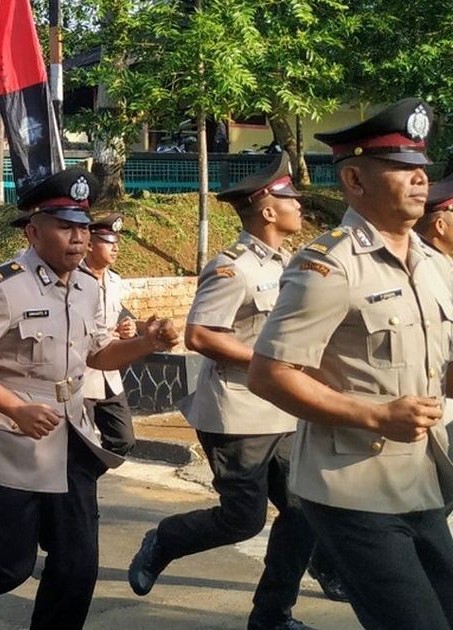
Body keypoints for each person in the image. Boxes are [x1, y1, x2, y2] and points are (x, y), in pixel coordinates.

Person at [0, 168, 179, 629]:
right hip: (11, 442)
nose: (79, 239)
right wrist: (15, 407)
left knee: (78, 566)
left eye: (83, 227)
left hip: (72, 435)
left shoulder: (87, 288)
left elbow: (98, 353)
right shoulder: (1, 288)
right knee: (7, 566)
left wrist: (145, 343)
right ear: (34, 231)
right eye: (66, 227)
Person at [248, 98, 453, 630]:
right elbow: (270, 374)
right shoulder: (326, 266)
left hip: (423, 476)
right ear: (355, 181)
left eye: (421, 168)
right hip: (352, 487)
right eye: (401, 169)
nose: (418, 180)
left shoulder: (435, 266)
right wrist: (378, 416)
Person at [127, 153, 320, 630]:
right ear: (267, 209)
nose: (299, 204)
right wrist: (268, 364)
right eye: (289, 197)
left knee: (305, 509)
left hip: (284, 411)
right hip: (238, 414)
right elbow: (200, 335)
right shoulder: (231, 268)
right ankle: (165, 541)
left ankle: (272, 614)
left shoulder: (290, 264)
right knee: (244, 520)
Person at [78, 214, 139, 456]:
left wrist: (129, 328)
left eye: (116, 242)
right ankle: (80, 486)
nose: (115, 248)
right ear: (90, 244)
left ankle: (87, 475)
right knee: (81, 447)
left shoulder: (115, 280)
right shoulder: (73, 278)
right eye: (107, 242)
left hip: (109, 376)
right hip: (81, 375)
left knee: (123, 440)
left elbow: (120, 316)